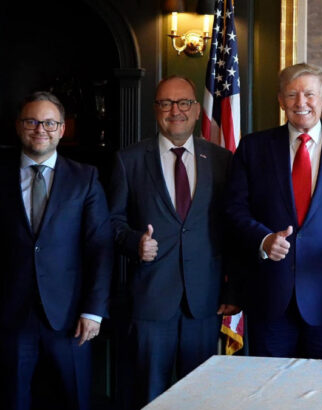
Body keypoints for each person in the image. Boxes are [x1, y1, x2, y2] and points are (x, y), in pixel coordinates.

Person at [225, 63, 322, 360]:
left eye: (309, 94)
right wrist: (263, 239)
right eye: (292, 95)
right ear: (281, 100)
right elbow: (234, 209)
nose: (300, 102)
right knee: (270, 385)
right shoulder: (253, 148)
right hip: (269, 297)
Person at [108, 75, 238, 408]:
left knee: (199, 397)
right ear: (156, 109)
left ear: (196, 110)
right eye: (166, 103)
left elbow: (232, 229)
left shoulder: (222, 160)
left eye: (183, 103)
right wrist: (134, 242)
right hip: (151, 300)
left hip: (205, 302)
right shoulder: (129, 160)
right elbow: (111, 224)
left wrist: (233, 290)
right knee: (149, 395)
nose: (175, 111)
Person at [0, 91, 113, 409]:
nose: (41, 129)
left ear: (62, 129)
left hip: (71, 319)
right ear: (19, 126)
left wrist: (93, 310)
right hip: (11, 318)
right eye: (32, 121)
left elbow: (100, 247)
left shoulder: (85, 178)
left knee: (74, 400)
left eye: (50, 123)